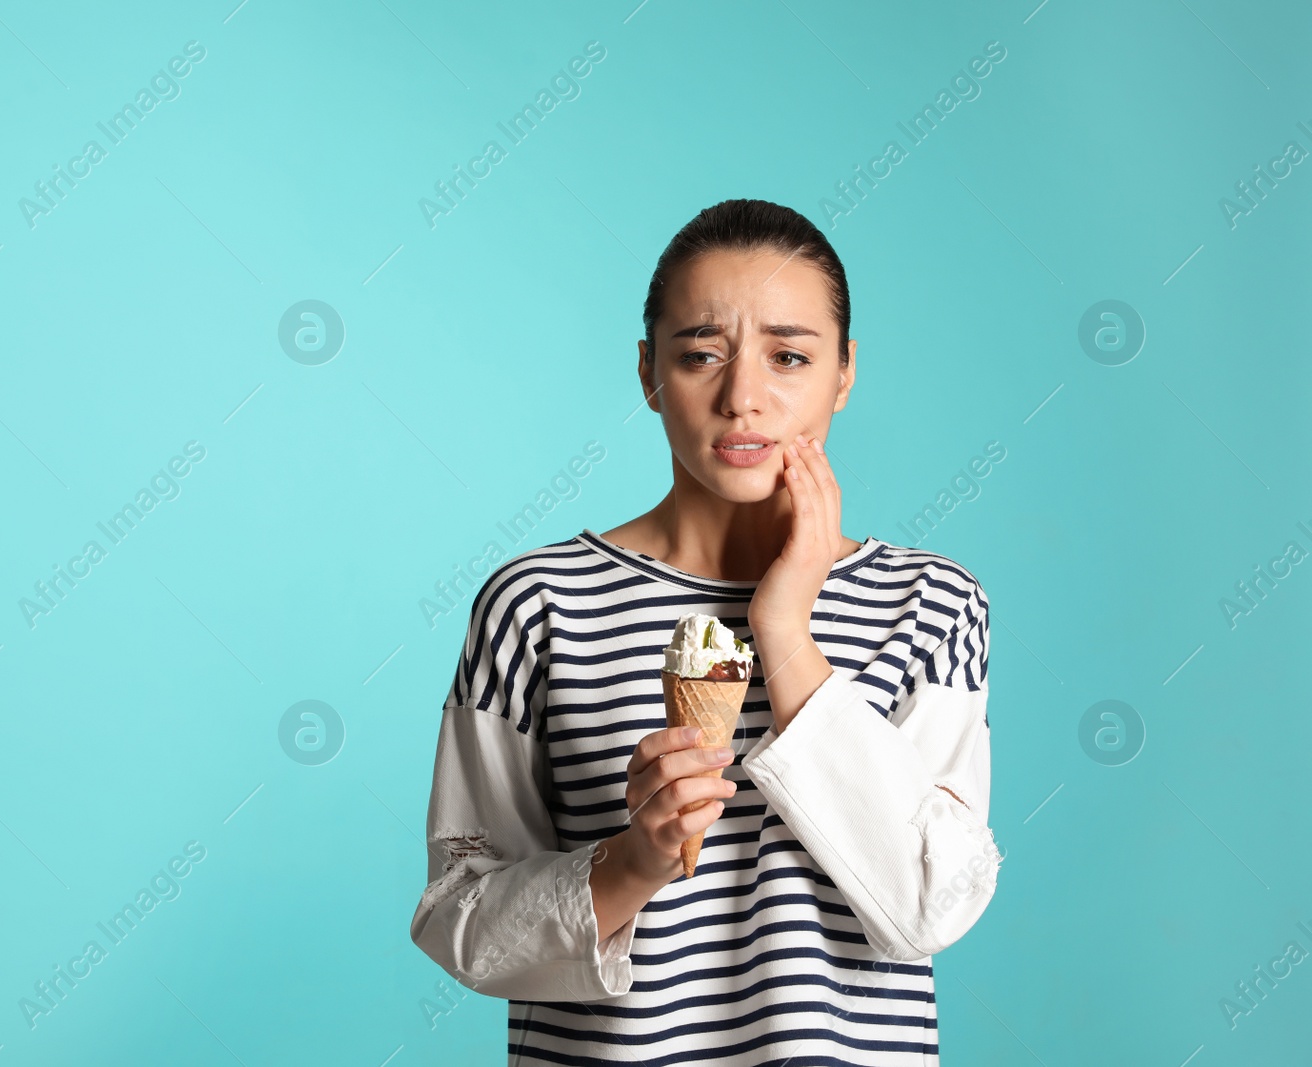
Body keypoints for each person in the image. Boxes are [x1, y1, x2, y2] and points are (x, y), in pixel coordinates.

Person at [410, 199, 1002, 1065]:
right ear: (650, 372)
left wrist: (786, 628)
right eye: (700, 355)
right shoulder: (536, 604)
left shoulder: (934, 604)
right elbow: (458, 916)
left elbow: (928, 904)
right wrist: (631, 862)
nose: (743, 398)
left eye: (789, 356)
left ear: (844, 373)